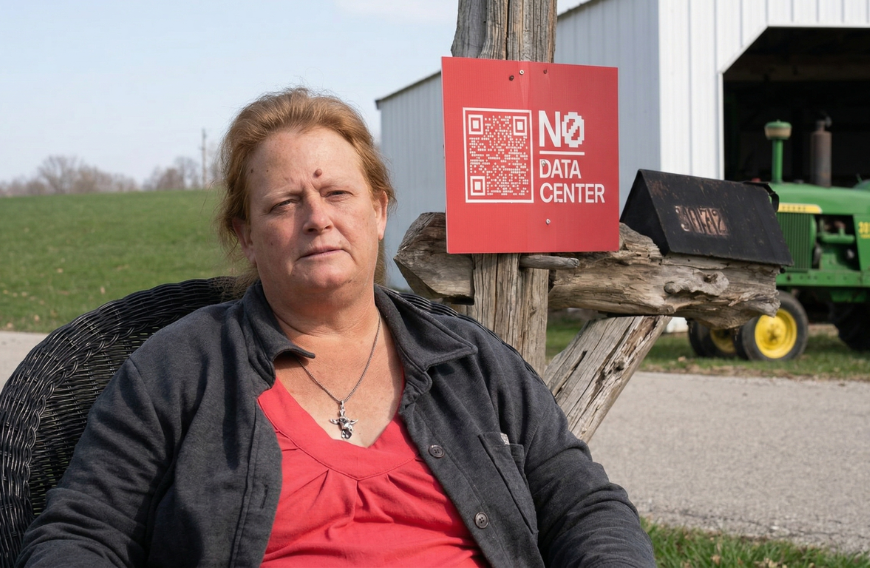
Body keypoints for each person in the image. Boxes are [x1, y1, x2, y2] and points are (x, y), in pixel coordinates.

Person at [17, 88, 655, 567]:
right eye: (284, 203)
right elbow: (80, 534)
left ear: (379, 211)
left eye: (338, 194)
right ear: (246, 236)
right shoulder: (178, 368)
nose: (317, 218)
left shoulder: (471, 360)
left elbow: (585, 506)